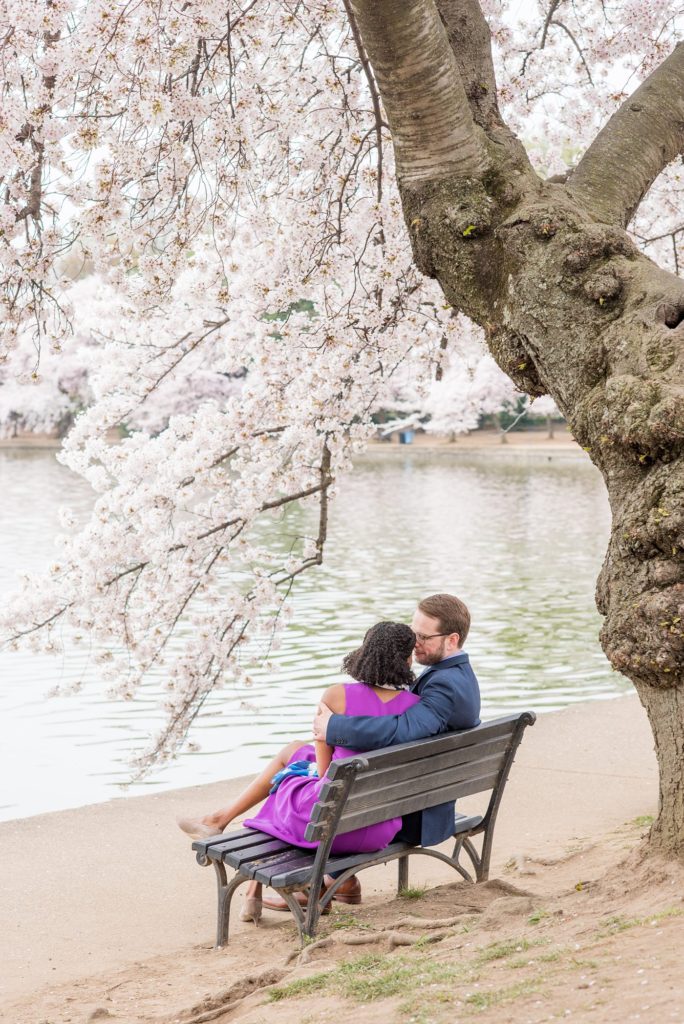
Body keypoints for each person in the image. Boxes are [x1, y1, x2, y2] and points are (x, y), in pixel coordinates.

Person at [177, 621, 419, 924]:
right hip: (380, 828)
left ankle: (243, 872)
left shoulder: (336, 696)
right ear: (408, 660)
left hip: (332, 828)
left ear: (365, 653)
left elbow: (321, 772)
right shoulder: (416, 708)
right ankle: (338, 882)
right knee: (294, 753)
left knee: (288, 779)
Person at [313, 593, 480, 852]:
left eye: (424, 637)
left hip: (414, 813)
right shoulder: (455, 674)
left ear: (452, 640)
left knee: (306, 773)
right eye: (415, 634)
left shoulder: (445, 684)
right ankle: (339, 880)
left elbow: (404, 730)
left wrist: (333, 728)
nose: (414, 643)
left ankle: (332, 877)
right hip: (420, 792)